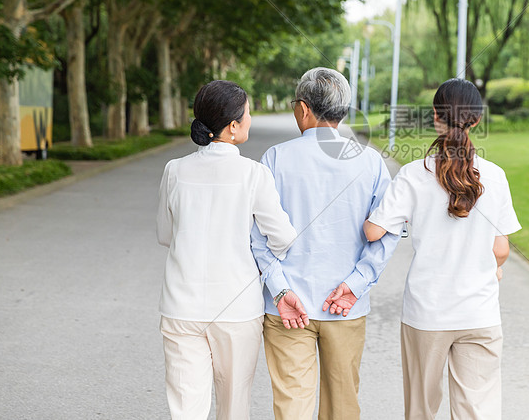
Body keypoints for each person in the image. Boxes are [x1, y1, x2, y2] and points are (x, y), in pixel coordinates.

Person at [364, 78, 522, 420]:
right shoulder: (495, 176)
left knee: (421, 410)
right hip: (479, 313)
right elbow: (501, 249)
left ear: (435, 116)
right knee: (477, 411)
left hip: (427, 312)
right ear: (477, 120)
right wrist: (493, 266)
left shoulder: (412, 175)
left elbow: (374, 232)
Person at [251, 67, 400, 420]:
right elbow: (387, 230)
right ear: (343, 110)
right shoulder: (371, 161)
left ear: (303, 109)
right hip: (346, 305)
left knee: (292, 406)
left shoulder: (274, 159)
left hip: (287, 306)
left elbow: (257, 236)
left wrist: (279, 288)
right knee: (343, 407)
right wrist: (357, 283)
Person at [156, 80, 300, 420]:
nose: (250, 119)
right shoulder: (254, 174)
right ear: (233, 126)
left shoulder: (174, 170)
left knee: (185, 409)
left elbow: (165, 234)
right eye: (248, 113)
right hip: (237, 309)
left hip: (181, 307)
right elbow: (283, 238)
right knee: (234, 408)